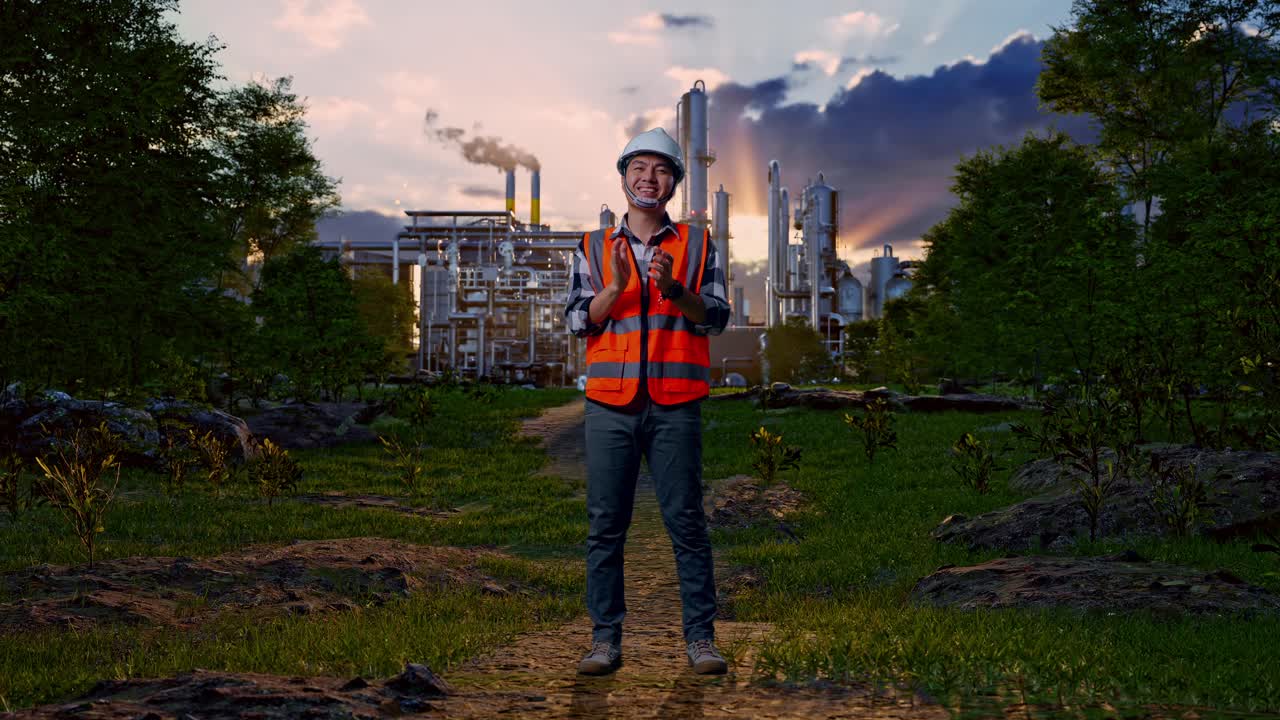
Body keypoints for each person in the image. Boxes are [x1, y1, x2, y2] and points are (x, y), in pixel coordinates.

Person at [563, 127, 731, 676]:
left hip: (675, 401)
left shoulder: (698, 245)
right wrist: (612, 289)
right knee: (605, 525)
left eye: (660, 170)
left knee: (686, 521)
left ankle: (700, 640)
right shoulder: (592, 245)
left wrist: (676, 291)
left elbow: (718, 317)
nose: (648, 178)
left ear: (674, 183)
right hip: (611, 403)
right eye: (639, 168)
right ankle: (604, 641)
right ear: (623, 176)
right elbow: (573, 319)